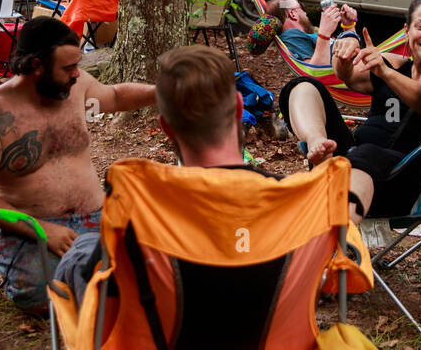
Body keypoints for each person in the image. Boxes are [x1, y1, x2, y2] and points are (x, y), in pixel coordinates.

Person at [0, 17, 156, 314]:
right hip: (34, 230)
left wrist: (162, 93)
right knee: (52, 296)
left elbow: (116, 96)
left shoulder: (76, 87)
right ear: (36, 65)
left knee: (149, 273)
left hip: (96, 219)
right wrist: (43, 230)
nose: (77, 74)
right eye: (68, 68)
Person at [54, 44, 265, 304]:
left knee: (81, 252)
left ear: (165, 126)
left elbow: (105, 286)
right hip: (270, 339)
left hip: (164, 339)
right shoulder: (293, 200)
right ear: (238, 108)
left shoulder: (142, 207)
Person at [280, 0, 421, 224]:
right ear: (406, 32)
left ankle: (334, 240)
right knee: (303, 86)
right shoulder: (395, 64)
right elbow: (348, 76)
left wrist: (386, 73)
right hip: (350, 159)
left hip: (403, 184)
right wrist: (345, 52)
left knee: (367, 154)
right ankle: (319, 147)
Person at [265, 0, 359, 65]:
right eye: (301, 7)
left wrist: (349, 25)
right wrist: (324, 33)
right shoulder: (290, 36)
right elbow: (315, 73)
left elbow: (351, 49)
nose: (305, 12)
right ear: (293, 14)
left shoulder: (305, 36)